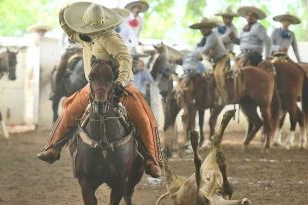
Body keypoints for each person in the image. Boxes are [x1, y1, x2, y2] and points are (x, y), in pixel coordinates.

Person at [37, 2, 162, 178]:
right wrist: (62, 16)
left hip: (119, 86)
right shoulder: (85, 36)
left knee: (142, 117)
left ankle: (151, 160)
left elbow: (125, 59)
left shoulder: (111, 38)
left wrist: (121, 80)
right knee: (69, 110)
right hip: (94, 86)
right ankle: (53, 148)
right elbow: (70, 32)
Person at [190, 17, 229, 105]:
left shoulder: (212, 37)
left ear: (209, 28)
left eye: (204, 27)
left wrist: (195, 53)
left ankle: (223, 97)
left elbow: (204, 50)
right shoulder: (205, 38)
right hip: (214, 61)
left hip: (222, 59)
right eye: (201, 28)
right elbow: (198, 48)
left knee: (217, 74)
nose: (202, 30)